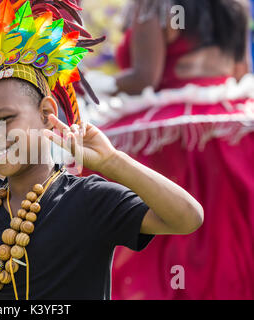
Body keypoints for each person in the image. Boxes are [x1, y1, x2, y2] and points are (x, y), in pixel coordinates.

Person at [0, 0, 203, 300]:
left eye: (5, 118)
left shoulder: (88, 199)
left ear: (47, 114)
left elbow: (187, 217)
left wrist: (114, 162)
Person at [84, 0, 254, 299]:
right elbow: (241, 71)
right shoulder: (236, 4)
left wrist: (92, 84)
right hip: (234, 131)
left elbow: (145, 78)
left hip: (172, 144)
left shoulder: (155, 3)